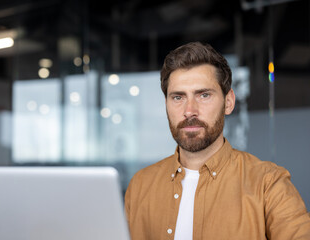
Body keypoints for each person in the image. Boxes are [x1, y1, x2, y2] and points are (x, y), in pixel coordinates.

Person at [124, 42, 310, 240]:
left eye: (204, 95)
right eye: (178, 97)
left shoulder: (269, 184)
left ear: (228, 102)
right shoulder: (140, 185)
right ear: (166, 105)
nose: (189, 111)